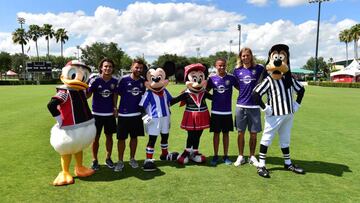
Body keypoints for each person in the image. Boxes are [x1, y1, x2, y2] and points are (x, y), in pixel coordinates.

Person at [233, 47, 265, 167]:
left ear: (251, 56)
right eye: (243, 56)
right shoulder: (237, 70)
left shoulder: (259, 68)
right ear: (240, 57)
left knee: (253, 133)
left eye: (247, 55)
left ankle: (252, 156)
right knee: (240, 133)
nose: (245, 57)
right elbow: (237, 85)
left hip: (254, 106)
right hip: (240, 105)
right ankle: (240, 156)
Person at [113, 59, 146, 172]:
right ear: (132, 67)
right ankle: (120, 161)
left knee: (134, 137)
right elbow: (116, 93)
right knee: (121, 139)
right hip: (123, 114)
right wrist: (115, 107)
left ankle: (132, 159)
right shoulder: (123, 79)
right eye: (136, 67)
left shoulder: (143, 81)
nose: (138, 70)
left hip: (137, 114)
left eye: (141, 68)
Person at [87, 58, 118, 170]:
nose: (107, 68)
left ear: (112, 68)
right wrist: (82, 88)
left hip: (109, 114)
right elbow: (88, 95)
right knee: (95, 138)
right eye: (105, 66)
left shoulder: (115, 81)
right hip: (96, 114)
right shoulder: (95, 80)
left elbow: (115, 95)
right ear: (101, 68)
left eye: (110, 66)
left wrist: (115, 107)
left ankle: (108, 158)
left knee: (109, 137)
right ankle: (94, 160)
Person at [207, 58, 238, 166]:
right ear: (216, 66)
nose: (222, 67)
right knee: (216, 134)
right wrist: (213, 98)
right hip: (215, 112)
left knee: (226, 134)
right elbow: (204, 92)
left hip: (227, 112)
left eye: (223, 65)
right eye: (219, 65)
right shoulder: (211, 79)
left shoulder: (231, 78)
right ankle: (215, 155)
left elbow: (242, 88)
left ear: (226, 66)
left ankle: (225, 156)